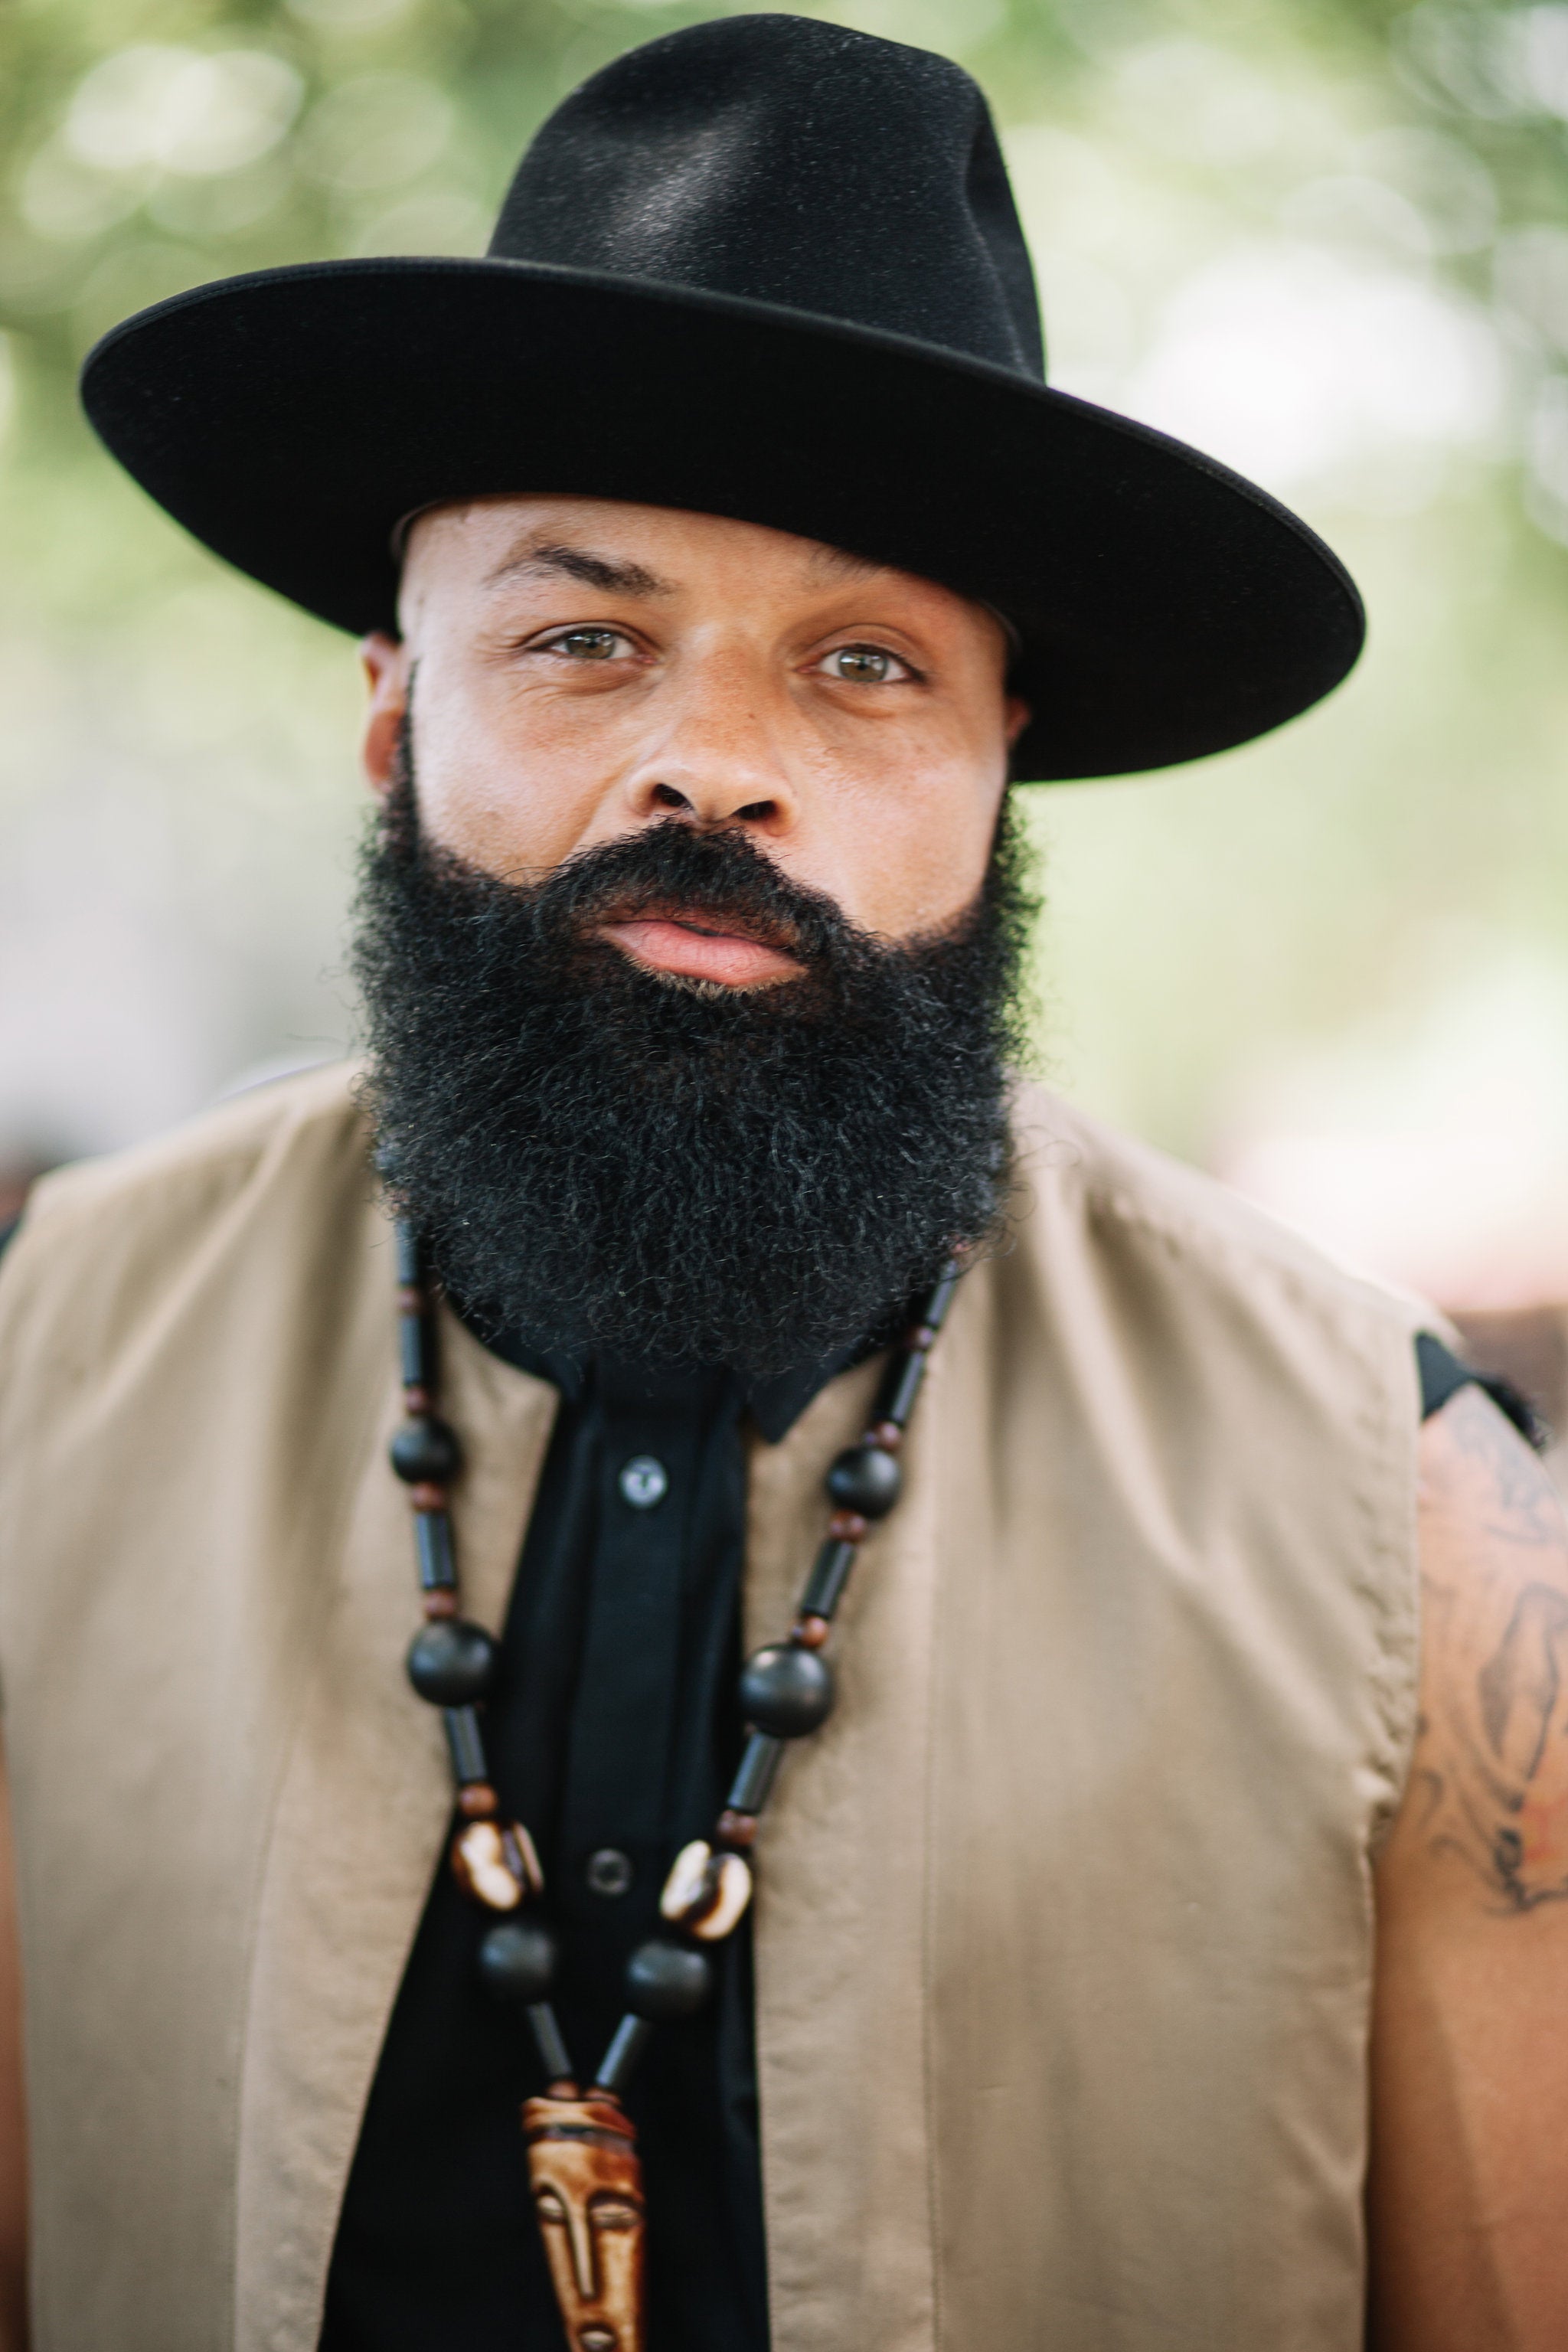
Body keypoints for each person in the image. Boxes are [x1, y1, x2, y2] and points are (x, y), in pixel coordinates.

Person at [0, 16, 1565, 2351]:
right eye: (582, 638)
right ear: (394, 709)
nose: (714, 764)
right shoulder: (45, 1376)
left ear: (994, 766)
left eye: (861, 663)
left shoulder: (1402, 1510)